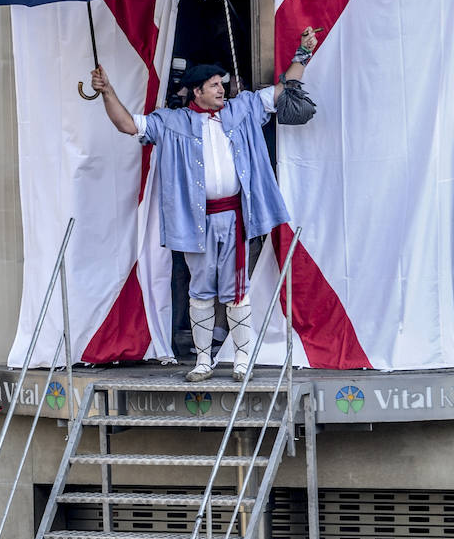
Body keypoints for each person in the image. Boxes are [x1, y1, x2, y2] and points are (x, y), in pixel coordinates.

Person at [91, 26, 319, 381]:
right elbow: (126, 124)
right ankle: (202, 361)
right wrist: (107, 92)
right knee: (200, 288)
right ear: (197, 91)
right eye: (214, 85)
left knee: (236, 289)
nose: (221, 89)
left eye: (221, 84)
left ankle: (242, 361)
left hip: (235, 217)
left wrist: (302, 53)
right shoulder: (172, 122)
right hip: (195, 221)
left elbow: (282, 91)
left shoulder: (241, 109)